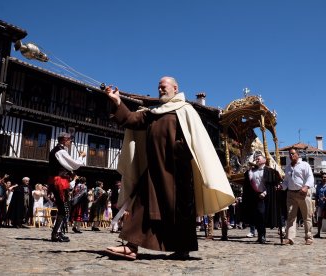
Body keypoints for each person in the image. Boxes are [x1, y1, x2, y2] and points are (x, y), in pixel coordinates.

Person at [104, 76, 235, 260]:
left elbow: (194, 141)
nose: (160, 90)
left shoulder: (185, 110)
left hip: (177, 172)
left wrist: (177, 150)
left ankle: (182, 248)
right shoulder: (153, 113)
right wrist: (117, 101)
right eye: (158, 87)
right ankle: (131, 247)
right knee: (141, 204)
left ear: (175, 88)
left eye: (163, 87)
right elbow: (131, 119)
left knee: (179, 211)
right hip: (153, 170)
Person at [48, 132, 86, 242]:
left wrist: (70, 173)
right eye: (69, 140)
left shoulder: (58, 150)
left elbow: (68, 166)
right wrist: (81, 156)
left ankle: (58, 232)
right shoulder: (60, 151)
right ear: (64, 140)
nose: (70, 142)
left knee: (64, 208)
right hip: (59, 181)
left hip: (58, 181)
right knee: (64, 208)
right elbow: (74, 164)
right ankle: (56, 234)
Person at [280, 147, 314, 245]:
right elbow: (286, 181)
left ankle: (309, 237)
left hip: (302, 193)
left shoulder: (304, 165)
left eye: (293, 154)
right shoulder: (287, 167)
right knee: (291, 216)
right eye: (289, 154)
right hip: (291, 194)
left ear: (298, 154)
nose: (291, 156)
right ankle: (290, 238)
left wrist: (306, 186)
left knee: (306, 216)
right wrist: (281, 186)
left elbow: (310, 177)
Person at [314, 172, 326, 238]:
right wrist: (316, 202)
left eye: (325, 177)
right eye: (322, 177)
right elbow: (316, 195)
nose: (323, 178)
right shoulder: (318, 186)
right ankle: (318, 233)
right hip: (320, 205)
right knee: (319, 219)